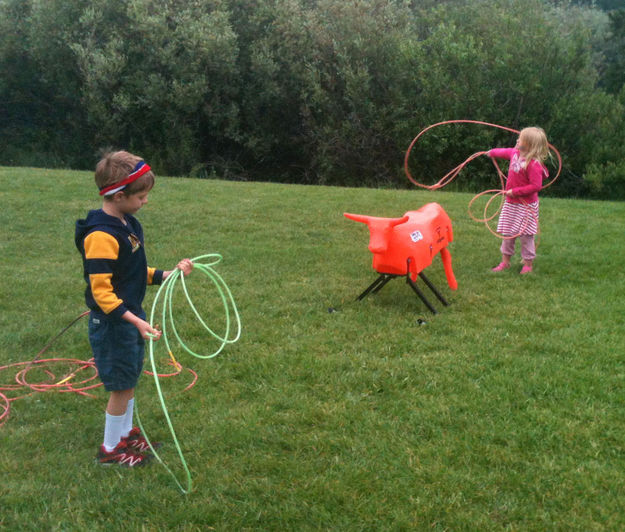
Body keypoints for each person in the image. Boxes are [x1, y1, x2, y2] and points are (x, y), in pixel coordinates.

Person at [75, 150, 193, 466]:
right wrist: (135, 321)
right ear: (117, 194)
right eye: (141, 196)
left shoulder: (127, 223)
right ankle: (111, 449)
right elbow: (102, 293)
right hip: (114, 322)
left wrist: (166, 275)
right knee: (121, 385)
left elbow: (133, 271)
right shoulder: (101, 236)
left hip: (129, 318)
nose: (145, 201)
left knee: (129, 378)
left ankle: (126, 436)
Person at [487, 127, 549, 275]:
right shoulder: (515, 153)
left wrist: (515, 192)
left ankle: (528, 264)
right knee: (508, 234)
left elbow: (536, 186)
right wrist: (491, 152)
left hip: (526, 206)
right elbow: (504, 151)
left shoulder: (534, 164)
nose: (517, 141)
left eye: (520, 139)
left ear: (529, 144)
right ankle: (505, 262)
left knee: (526, 235)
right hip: (511, 204)